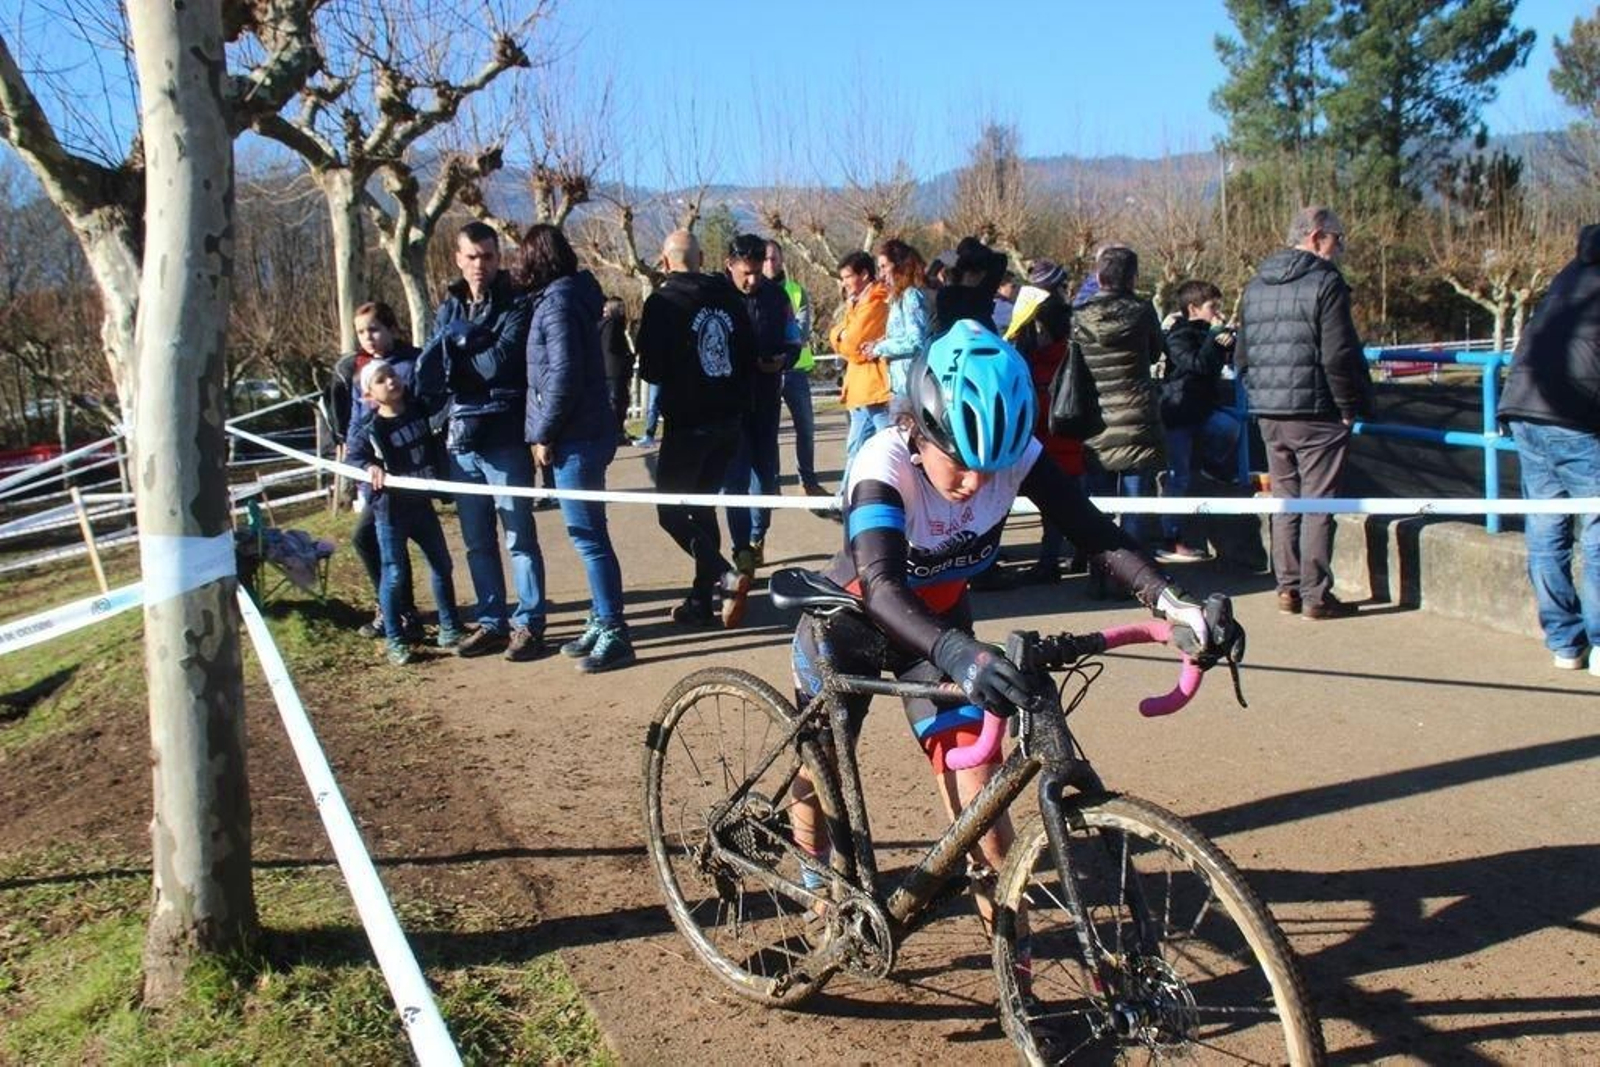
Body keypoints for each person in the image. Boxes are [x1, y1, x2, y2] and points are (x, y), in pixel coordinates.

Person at [786, 319, 1242, 942]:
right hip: (850, 625)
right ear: (919, 430)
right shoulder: (882, 463)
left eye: (993, 468)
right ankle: (813, 887)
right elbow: (884, 587)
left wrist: (1173, 602)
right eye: (960, 463)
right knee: (820, 770)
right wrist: (960, 653)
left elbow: (1092, 531)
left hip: (938, 632)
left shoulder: (1016, 456)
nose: (977, 483)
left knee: (982, 802)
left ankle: (1014, 962)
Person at [415, 220, 548, 660]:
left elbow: (500, 364)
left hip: (505, 435)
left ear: (498, 258)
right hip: (460, 439)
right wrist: (462, 350)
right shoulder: (449, 307)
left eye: (488, 256)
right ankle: (492, 622)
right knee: (477, 540)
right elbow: (432, 371)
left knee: (519, 537)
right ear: (458, 258)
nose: (480, 264)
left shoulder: (518, 302)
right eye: (472, 256)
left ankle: (529, 623)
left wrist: (455, 354)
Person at [1237, 205, 1371, 621]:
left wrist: (1260, 395)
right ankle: (1316, 594)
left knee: (1285, 500)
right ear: (1317, 237)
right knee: (1317, 503)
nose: (1340, 247)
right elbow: (1338, 353)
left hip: (1269, 410)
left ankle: (1287, 587)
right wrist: (1348, 407)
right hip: (1317, 411)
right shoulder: (1326, 282)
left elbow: (1242, 356)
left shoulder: (1255, 285)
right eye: (1338, 239)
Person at [520, 224, 635, 673]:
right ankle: (600, 617)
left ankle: (614, 630)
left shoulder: (558, 303)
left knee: (589, 537)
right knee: (587, 535)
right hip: (585, 430)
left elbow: (563, 374)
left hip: (577, 436)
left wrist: (544, 432)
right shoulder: (569, 298)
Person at [636, 230, 759, 628]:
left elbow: (651, 369)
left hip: (688, 423)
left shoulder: (662, 302)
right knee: (703, 507)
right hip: (728, 421)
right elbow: (749, 356)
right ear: (703, 258)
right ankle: (701, 600)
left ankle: (724, 575)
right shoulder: (729, 298)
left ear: (664, 261)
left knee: (670, 512)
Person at [1496, 223, 1600, 674]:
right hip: (1573, 415)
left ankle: (1564, 642)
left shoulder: (1568, 276)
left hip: (1524, 407)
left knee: (1546, 526)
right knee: (1596, 527)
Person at [344, 359, 465, 666]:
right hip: (390, 513)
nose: (391, 382)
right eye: (381, 380)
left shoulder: (419, 410)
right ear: (369, 394)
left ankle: (450, 627)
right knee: (394, 573)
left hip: (422, 506)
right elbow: (353, 458)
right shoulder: (369, 429)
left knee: (441, 564)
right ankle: (395, 639)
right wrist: (368, 467)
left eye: (392, 375)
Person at [325, 301, 422, 641]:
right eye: (361, 332)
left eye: (374, 329)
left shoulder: (410, 364)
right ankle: (398, 609)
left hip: (404, 473)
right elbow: (357, 421)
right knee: (374, 539)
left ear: (391, 328)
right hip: (373, 474)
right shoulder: (358, 369)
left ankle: (397, 610)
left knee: (372, 538)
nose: (368, 337)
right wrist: (359, 462)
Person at [1073, 245, 1167, 559]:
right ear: (1132, 277)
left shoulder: (1079, 316)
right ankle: (1131, 573)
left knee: (1098, 504)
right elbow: (1155, 353)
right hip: (1136, 415)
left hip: (1095, 417)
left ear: (1099, 276)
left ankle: (1100, 569)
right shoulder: (1142, 312)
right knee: (1134, 503)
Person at [722, 233, 800, 577]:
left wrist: (784, 359)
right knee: (735, 477)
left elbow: (794, 339)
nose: (753, 280)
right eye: (746, 273)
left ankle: (757, 537)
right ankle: (741, 548)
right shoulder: (717, 297)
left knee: (764, 475)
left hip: (767, 399)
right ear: (730, 265)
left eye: (758, 272)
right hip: (729, 404)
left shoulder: (777, 296)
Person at [1159, 279, 1242, 561]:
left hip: (1204, 410)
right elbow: (1197, 364)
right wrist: (1214, 339)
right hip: (1179, 412)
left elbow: (1218, 363)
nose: (1218, 313)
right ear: (1193, 308)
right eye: (1212, 307)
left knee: (1230, 428)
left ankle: (1212, 465)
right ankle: (1171, 538)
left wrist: (1228, 342)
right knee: (1178, 477)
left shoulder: (1211, 334)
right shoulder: (1177, 336)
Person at [1010, 293, 1088, 583]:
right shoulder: (1076, 356)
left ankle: (1049, 562)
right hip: (1076, 447)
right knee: (1078, 508)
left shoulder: (1037, 363)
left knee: (1052, 511)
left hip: (1048, 448)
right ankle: (1082, 554)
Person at [764, 240, 829, 496]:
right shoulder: (755, 291)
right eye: (766, 258)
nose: (770, 263)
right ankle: (772, 483)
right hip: (767, 372)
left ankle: (808, 481)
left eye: (774, 258)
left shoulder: (796, 292)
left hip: (795, 371)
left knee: (806, 428)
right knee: (769, 430)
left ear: (782, 260)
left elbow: (800, 332)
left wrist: (777, 348)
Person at [830, 250, 892, 461]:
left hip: (874, 388)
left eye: (848, 277)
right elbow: (841, 337)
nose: (844, 283)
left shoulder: (876, 302)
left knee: (881, 446)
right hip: (861, 388)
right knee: (857, 449)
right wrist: (841, 336)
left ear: (864, 274)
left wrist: (842, 337)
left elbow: (853, 345)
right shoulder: (857, 303)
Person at [866, 238, 931, 415]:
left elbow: (916, 342)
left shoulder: (910, 296)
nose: (881, 274)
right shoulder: (898, 298)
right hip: (900, 386)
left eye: (884, 267)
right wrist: (881, 342)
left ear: (899, 266)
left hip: (911, 387)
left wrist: (879, 348)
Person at [931, 237, 1003, 337]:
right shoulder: (982, 294)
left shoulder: (945, 294)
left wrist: (945, 259)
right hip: (983, 338)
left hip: (953, 341)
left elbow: (930, 276)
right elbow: (1001, 259)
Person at [600, 297, 633, 447]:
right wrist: (625, 355)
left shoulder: (609, 324)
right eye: (620, 308)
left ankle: (617, 432)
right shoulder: (611, 324)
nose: (623, 311)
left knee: (619, 402)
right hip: (614, 370)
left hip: (613, 370)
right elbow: (610, 346)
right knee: (617, 402)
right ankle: (615, 433)